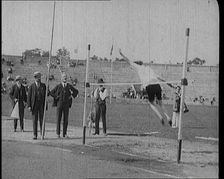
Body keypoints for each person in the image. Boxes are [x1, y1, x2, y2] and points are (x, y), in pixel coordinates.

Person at [49, 73, 78, 138]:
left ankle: (65, 134)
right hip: (59, 104)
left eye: (66, 77)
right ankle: (58, 134)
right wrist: (56, 97)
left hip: (66, 105)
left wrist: (71, 95)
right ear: (61, 78)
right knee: (58, 119)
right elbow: (51, 92)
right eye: (63, 77)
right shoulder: (58, 86)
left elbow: (76, 91)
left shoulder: (69, 86)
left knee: (65, 120)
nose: (65, 78)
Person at [27, 72, 46, 140]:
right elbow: (29, 97)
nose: (39, 78)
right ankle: (35, 134)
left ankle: (42, 133)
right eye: (37, 77)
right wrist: (29, 106)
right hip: (34, 105)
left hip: (41, 105)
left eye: (39, 77)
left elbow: (47, 94)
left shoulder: (43, 85)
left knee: (42, 119)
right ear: (35, 78)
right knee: (34, 120)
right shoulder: (31, 86)